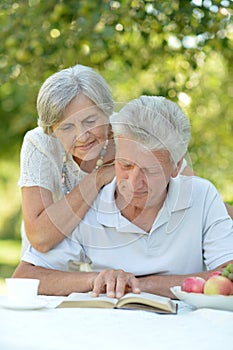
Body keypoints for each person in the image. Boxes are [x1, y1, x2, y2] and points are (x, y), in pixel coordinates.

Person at [13, 96, 233, 299]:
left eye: (150, 171)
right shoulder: (89, 204)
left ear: (176, 167)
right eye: (125, 165)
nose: (132, 183)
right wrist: (97, 279)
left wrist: (137, 285)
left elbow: (227, 274)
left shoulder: (202, 196)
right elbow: (25, 277)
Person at [19, 64, 115, 256]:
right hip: (51, 268)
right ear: (52, 130)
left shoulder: (133, 135)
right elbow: (40, 238)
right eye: (67, 127)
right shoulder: (40, 143)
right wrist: (99, 177)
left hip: (112, 270)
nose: (82, 136)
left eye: (90, 121)